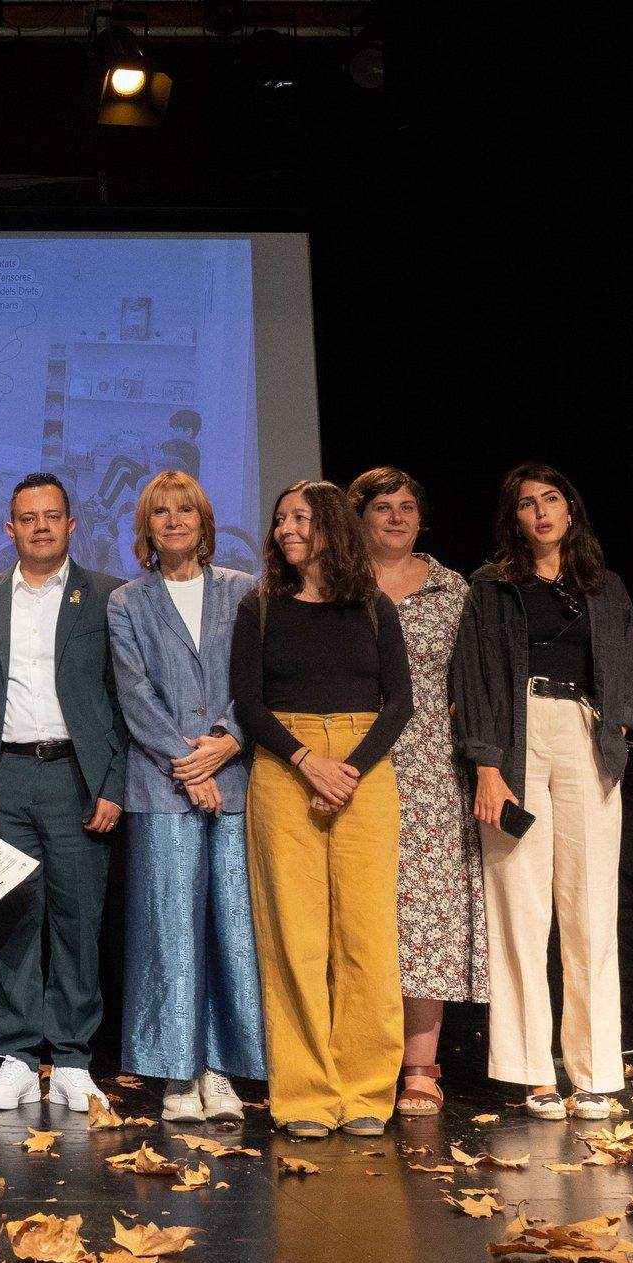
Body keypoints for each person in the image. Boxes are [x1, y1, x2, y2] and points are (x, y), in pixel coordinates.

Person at [453, 463, 633, 1121]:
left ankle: (594, 1071)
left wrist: (622, 720)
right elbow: (474, 677)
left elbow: (631, 661)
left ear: (570, 509)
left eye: (551, 499)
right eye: (527, 504)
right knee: (521, 907)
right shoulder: (491, 588)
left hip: (585, 738)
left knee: (590, 905)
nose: (541, 511)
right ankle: (533, 1071)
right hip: (517, 742)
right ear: (514, 519)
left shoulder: (605, 586)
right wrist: (485, 764)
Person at [230, 480, 412, 1139]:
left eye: (298, 518)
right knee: (295, 939)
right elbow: (247, 704)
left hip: (364, 766)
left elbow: (401, 704)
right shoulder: (262, 609)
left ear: (331, 527)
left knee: (366, 937)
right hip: (286, 765)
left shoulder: (372, 607)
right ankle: (306, 1093)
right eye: (279, 519)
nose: (284, 529)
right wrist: (309, 761)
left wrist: (349, 768)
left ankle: (366, 1090)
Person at [0, 473, 131, 1114]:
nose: (40, 526)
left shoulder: (107, 598)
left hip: (76, 777)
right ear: (9, 529)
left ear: (71, 524)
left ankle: (70, 1059)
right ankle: (14, 1055)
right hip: (6, 776)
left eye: (52, 515)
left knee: (78, 920)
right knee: (12, 919)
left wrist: (112, 783)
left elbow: (124, 704)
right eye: (28, 517)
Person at [106, 471, 264, 1123]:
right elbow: (134, 691)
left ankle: (219, 1070)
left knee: (230, 927)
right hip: (163, 783)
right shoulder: (126, 602)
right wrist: (188, 761)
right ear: (146, 527)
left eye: (184, 510)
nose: (173, 520)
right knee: (170, 928)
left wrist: (223, 743)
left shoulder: (243, 591)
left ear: (204, 520)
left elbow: (257, 681)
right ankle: (176, 1072)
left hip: (232, 778)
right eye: (160, 512)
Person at [349, 467, 488, 1117]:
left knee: (424, 923)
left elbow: (476, 684)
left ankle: (420, 1067)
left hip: (431, 770)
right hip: (352, 765)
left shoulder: (450, 588)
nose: (398, 517)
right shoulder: (338, 585)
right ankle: (359, 1058)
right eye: (384, 507)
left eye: (408, 506)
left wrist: (484, 762)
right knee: (361, 918)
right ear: (360, 516)